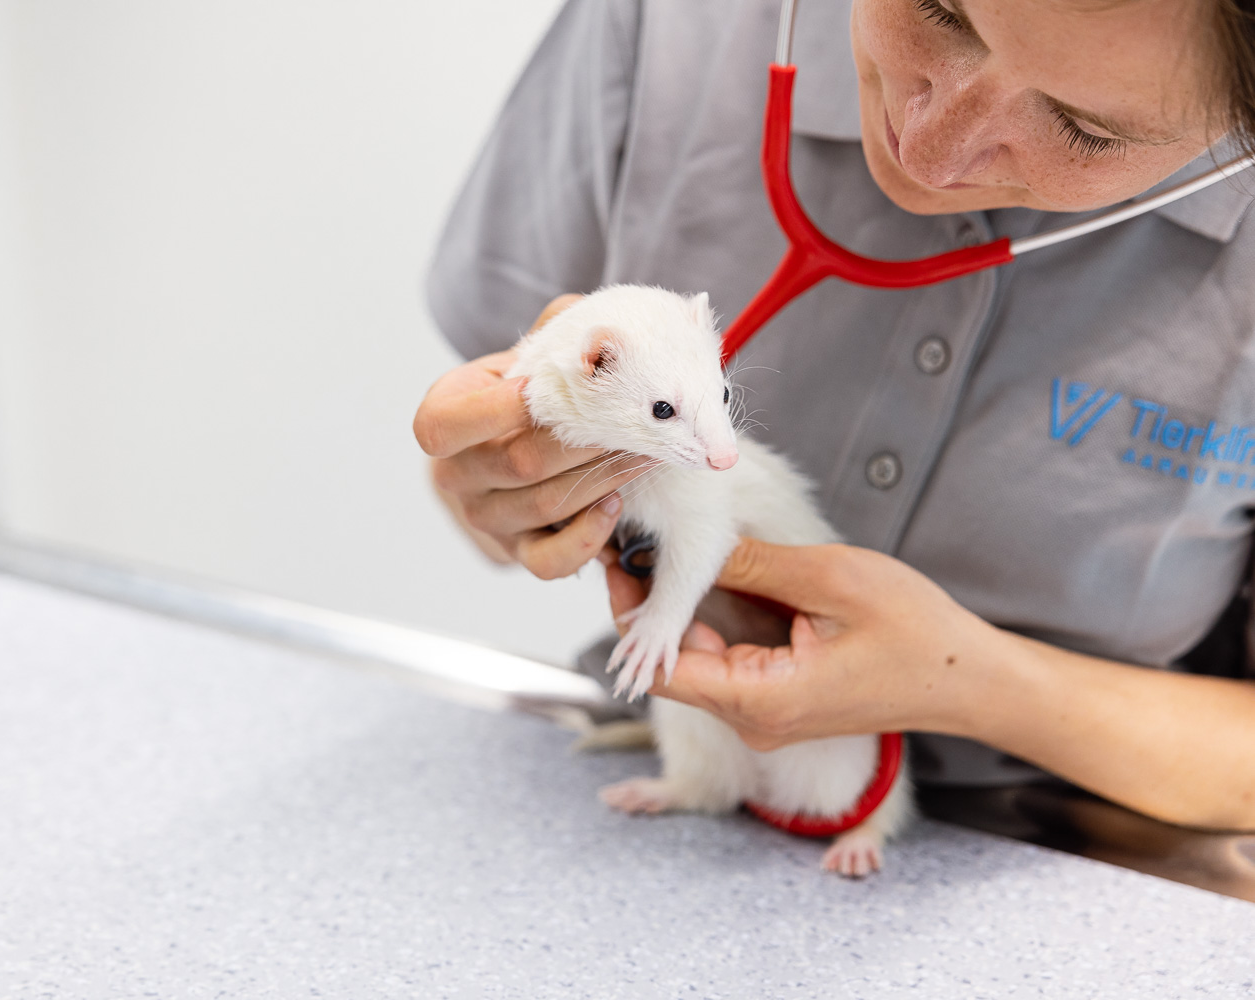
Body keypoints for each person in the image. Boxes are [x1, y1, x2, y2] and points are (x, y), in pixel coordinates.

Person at [413, 0, 1255, 831]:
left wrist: (975, 683)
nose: (929, 150)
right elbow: (479, 477)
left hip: (1095, 856)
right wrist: (505, 487)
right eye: (938, 12)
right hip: (671, 774)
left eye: (1085, 130)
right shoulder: (665, 23)